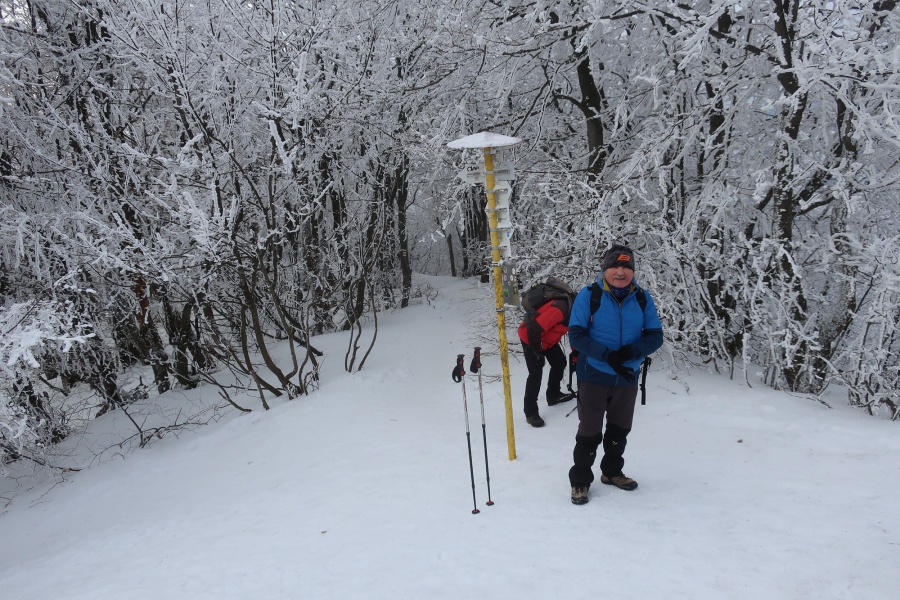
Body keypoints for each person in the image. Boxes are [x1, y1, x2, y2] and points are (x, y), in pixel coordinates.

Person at [567, 245, 664, 505]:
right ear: (605, 270)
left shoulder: (642, 298)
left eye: (626, 267)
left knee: (620, 429)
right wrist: (607, 355)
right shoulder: (590, 295)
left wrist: (633, 351)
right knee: (589, 431)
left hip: (627, 375)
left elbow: (655, 335)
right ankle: (580, 481)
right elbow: (576, 335)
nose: (621, 272)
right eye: (615, 267)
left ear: (632, 271)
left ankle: (611, 472)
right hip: (594, 374)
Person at [517, 277, 576, 428]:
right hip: (531, 336)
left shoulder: (576, 312)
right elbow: (535, 327)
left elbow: (577, 333)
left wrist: (576, 353)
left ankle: (553, 395)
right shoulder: (560, 309)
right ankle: (530, 412)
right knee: (536, 372)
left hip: (547, 338)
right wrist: (536, 349)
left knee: (559, 362)